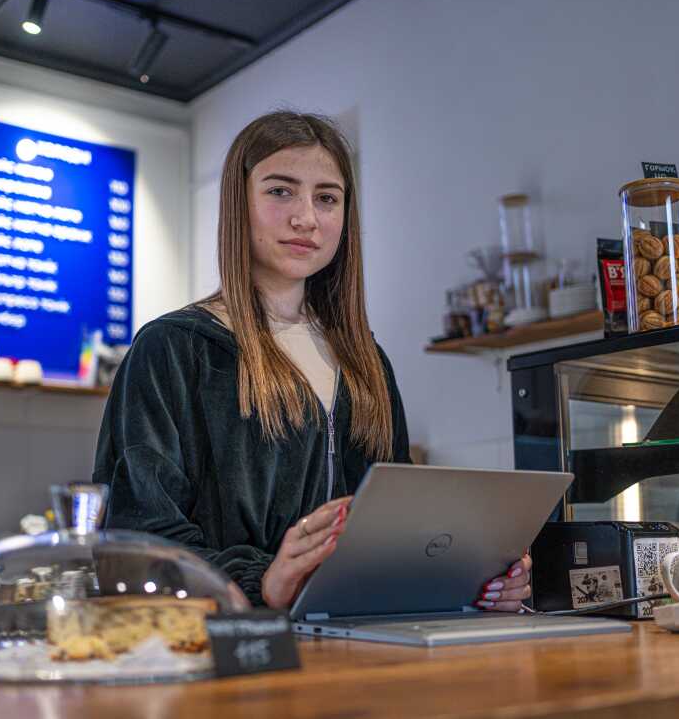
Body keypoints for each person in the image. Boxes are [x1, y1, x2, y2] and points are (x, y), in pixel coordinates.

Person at [92, 111, 531, 611]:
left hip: (357, 645)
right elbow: (136, 534)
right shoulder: (173, 347)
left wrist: (475, 577)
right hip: (232, 652)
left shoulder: (366, 361)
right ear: (239, 203)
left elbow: (400, 526)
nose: (306, 218)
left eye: (326, 198)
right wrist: (264, 581)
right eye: (280, 191)